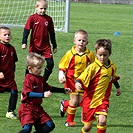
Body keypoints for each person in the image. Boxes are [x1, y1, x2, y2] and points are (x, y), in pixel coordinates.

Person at [75, 39, 121, 133]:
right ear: (96, 53)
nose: (102, 57)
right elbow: (82, 77)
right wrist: (78, 83)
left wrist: (118, 87)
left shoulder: (112, 66)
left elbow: (113, 77)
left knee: (102, 120)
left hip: (103, 100)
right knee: (87, 127)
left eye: (105, 55)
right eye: (100, 55)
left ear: (110, 54)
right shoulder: (93, 67)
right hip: (89, 100)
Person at [18, 52, 71, 133]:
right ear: (29, 68)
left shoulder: (40, 78)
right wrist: (42, 95)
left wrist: (62, 90)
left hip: (38, 108)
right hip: (27, 108)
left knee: (50, 125)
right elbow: (28, 93)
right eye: (38, 68)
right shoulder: (28, 79)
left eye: (41, 67)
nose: (41, 70)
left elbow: (49, 88)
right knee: (27, 129)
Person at [58, 29, 95, 127]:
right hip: (71, 80)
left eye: (84, 40)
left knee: (80, 102)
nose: (81, 42)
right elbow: (62, 66)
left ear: (87, 42)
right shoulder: (69, 54)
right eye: (79, 40)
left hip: (84, 82)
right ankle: (69, 121)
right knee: (74, 100)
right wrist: (61, 75)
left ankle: (65, 104)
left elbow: (94, 67)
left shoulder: (90, 54)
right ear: (74, 41)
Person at [22, 0, 57, 81]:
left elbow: (52, 33)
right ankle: (27, 82)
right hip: (34, 46)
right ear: (36, 7)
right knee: (30, 64)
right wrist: (24, 42)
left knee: (50, 64)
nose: (43, 10)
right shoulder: (32, 18)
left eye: (45, 9)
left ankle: (42, 82)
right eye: (41, 8)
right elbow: (26, 30)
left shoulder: (49, 19)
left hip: (45, 47)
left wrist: (54, 45)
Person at [0, 26, 18, 119]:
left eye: (9, 34)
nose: (7, 36)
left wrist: (13, 72)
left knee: (14, 92)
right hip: (0, 77)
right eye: (5, 35)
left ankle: (10, 111)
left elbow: (14, 61)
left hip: (9, 78)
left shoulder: (12, 48)